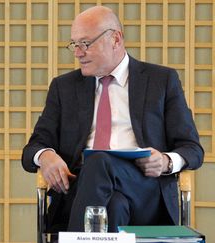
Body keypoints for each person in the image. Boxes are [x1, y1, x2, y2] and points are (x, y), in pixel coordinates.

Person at [22, 6, 204, 232]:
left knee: (99, 161)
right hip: (81, 190)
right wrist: (45, 156)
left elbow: (193, 149)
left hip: (144, 191)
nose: (78, 52)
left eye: (85, 44)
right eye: (74, 45)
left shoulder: (161, 81)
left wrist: (166, 162)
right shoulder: (64, 87)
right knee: (114, 205)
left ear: (115, 39)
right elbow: (32, 149)